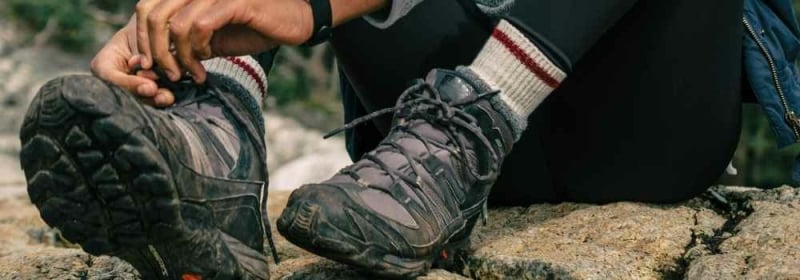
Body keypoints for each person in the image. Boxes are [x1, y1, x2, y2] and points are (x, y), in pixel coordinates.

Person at [19, 0, 748, 279]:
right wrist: (180, 29)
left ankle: (482, 112)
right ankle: (218, 140)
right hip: (408, 142)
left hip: (636, 124)